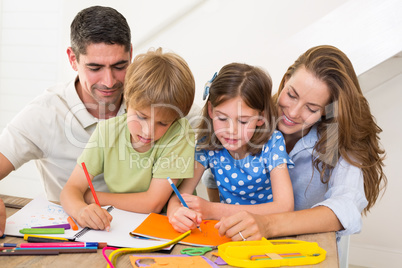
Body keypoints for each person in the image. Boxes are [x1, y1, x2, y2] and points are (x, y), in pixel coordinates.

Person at [212, 45, 387, 243]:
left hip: (304, 250)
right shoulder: (250, 116)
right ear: (285, 80)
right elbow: (216, 173)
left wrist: (268, 224)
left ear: (327, 110)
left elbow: (345, 207)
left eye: (311, 108)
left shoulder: (341, 141)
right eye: (291, 95)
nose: (293, 112)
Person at [0, 5, 131, 235]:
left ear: (131, 54)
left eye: (119, 66)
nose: (109, 82)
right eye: (95, 68)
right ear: (73, 59)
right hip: (73, 241)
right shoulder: (46, 112)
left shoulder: (155, 103)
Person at [60, 48, 196, 231]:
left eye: (163, 123)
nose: (148, 131)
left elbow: (153, 203)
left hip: (166, 229)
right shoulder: (107, 131)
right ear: (127, 100)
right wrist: (80, 210)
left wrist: (92, 198)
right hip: (118, 227)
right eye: (141, 117)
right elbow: (71, 190)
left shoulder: (179, 133)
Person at [167, 63, 295, 233]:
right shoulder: (208, 143)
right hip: (231, 235)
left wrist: (213, 210)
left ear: (260, 117)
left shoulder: (272, 143)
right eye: (222, 118)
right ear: (211, 110)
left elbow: (285, 207)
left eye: (243, 121)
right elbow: (179, 196)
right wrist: (175, 212)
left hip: (268, 234)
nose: (231, 130)